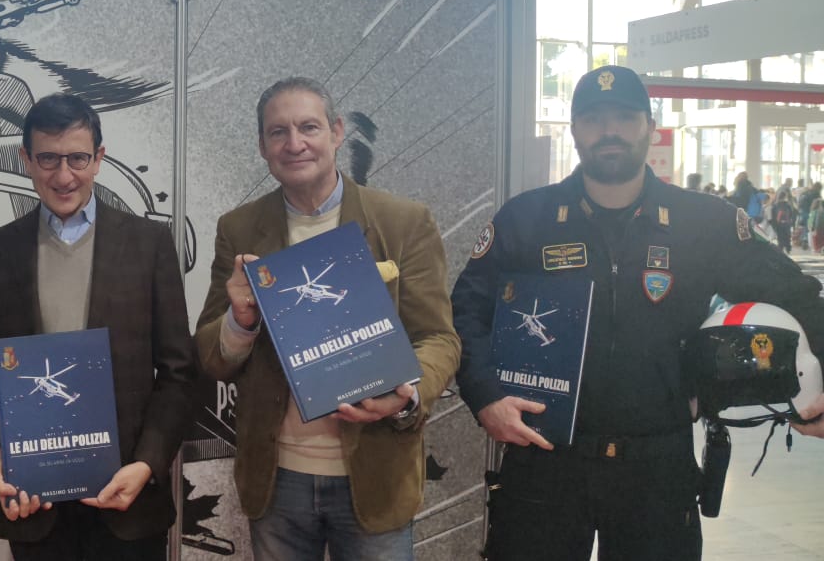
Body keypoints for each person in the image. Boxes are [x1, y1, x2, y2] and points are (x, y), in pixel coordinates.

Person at [452, 65, 824, 561]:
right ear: (574, 130)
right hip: (544, 458)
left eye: (625, 117)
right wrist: (485, 397)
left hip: (658, 466)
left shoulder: (704, 222)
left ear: (650, 126)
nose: (610, 131)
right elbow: (466, 310)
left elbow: (798, 296)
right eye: (594, 119)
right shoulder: (527, 219)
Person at [194, 77, 461, 560]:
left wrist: (406, 395)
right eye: (278, 132)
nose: (294, 143)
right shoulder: (239, 229)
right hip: (278, 481)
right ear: (262, 146)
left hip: (376, 475)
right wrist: (240, 321)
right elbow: (213, 357)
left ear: (337, 132)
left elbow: (439, 338)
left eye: (308, 127)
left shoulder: (403, 222)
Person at [0, 93, 197, 561]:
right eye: (48, 158)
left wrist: (147, 463)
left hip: (127, 504)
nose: (63, 175)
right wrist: (4, 456)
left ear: (98, 158)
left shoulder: (149, 244)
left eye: (77, 158)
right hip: (35, 505)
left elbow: (179, 373)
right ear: (26, 159)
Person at [770, 189, 797, 254]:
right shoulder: (787, 205)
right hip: (787, 223)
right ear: (785, 197)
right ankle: (788, 248)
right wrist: (792, 223)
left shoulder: (775, 205)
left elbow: (773, 215)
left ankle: (780, 248)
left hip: (778, 224)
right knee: (787, 236)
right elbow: (791, 214)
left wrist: (774, 224)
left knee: (780, 236)